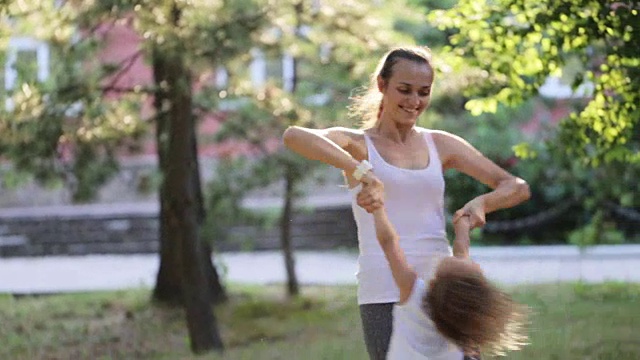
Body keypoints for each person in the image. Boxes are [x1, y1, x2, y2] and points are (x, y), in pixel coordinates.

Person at [282, 46, 531, 360]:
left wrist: (482, 203)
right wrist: (360, 170)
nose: (414, 102)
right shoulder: (358, 144)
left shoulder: (440, 143)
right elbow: (294, 136)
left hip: (446, 292)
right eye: (404, 90)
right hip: (383, 287)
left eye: (423, 92)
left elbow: (516, 187)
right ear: (382, 85)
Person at [372, 202, 528, 359]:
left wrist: (377, 207)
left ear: (436, 282)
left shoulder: (414, 297)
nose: (475, 264)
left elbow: (389, 242)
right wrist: (463, 224)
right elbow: (461, 251)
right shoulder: (459, 325)